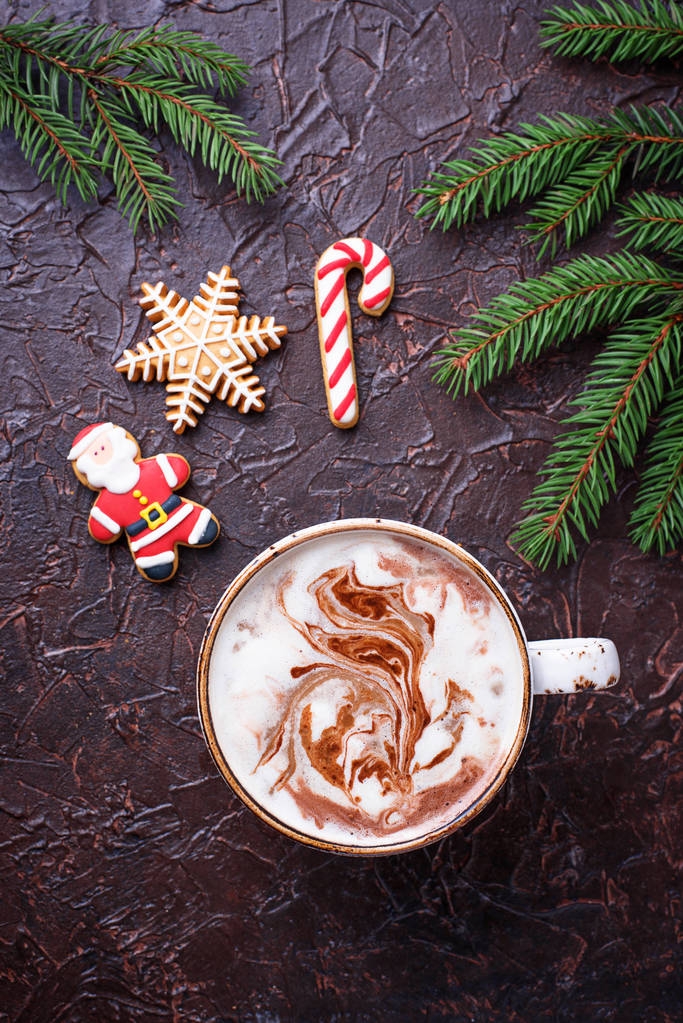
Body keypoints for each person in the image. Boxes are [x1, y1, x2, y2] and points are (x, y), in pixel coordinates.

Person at [68, 422, 219, 582]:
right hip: (146, 538)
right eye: (96, 454)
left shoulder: (153, 468)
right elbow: (102, 531)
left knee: (206, 530)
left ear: (118, 443)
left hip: (179, 515)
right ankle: (156, 561)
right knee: (159, 569)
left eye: (104, 448)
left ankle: (197, 527)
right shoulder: (106, 502)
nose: (102, 453)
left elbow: (179, 469)